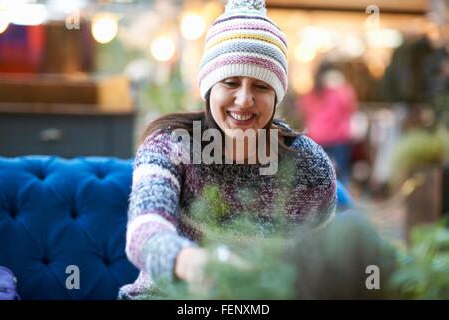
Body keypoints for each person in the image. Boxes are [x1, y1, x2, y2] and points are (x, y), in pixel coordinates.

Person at [119, 0, 337, 299]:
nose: (245, 99)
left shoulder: (308, 165)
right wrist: (193, 264)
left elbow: (320, 260)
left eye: (261, 87)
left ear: (277, 96)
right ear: (209, 89)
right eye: (231, 82)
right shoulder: (171, 145)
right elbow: (144, 233)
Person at [297, 62, 358, 185]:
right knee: (341, 175)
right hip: (339, 138)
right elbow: (351, 108)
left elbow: (302, 111)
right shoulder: (342, 91)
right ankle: (341, 202)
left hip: (317, 138)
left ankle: (324, 202)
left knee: (319, 176)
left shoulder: (311, 93)